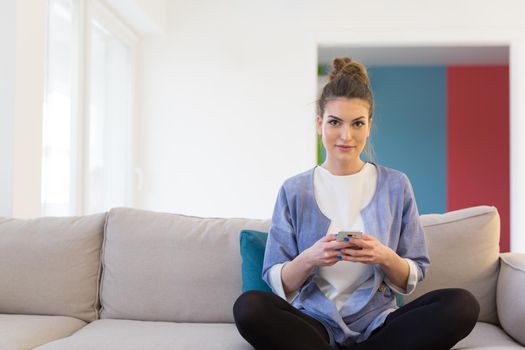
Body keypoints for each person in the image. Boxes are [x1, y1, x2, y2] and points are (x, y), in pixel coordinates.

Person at [233, 57, 480, 350]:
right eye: (335, 122)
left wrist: (383, 256)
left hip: (378, 321)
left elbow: (413, 273)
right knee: (249, 307)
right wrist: (311, 257)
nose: (346, 135)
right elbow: (278, 280)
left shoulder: (396, 185)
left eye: (357, 123)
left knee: (461, 305)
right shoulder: (294, 189)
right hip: (313, 323)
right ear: (319, 123)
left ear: (369, 126)